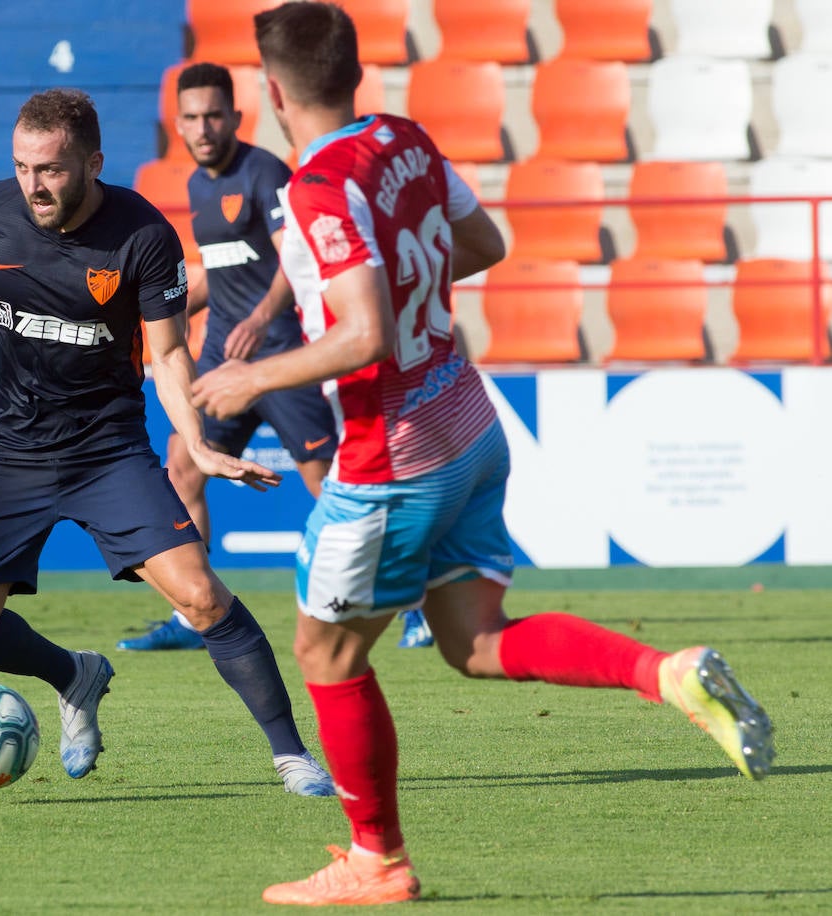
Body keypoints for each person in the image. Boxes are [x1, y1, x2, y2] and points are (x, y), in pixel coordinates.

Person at [193, 3, 775, 906]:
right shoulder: (405, 140)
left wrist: (250, 378)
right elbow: (485, 245)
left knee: (327, 654)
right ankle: (665, 673)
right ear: (353, 71)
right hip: (469, 422)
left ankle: (376, 861)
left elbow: (364, 335)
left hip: (396, 457)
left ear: (271, 92)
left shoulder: (314, 188)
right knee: (476, 642)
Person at [0, 87, 334, 796]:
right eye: (23, 167)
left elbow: (171, 356)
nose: (34, 185)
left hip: (105, 450)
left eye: (51, 169)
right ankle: (74, 675)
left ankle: (292, 756)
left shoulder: (143, 236)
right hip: (8, 451)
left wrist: (198, 446)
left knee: (203, 597)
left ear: (93, 163)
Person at [116, 61, 336, 653]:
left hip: (283, 356)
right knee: (183, 466)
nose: (203, 127)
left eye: (214, 114)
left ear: (237, 117)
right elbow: (225, 269)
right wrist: (165, 313)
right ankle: (197, 615)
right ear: (178, 125)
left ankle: (412, 603)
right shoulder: (196, 187)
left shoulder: (265, 172)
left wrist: (261, 318)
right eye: (191, 117)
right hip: (220, 360)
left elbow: (296, 259)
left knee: (333, 489)